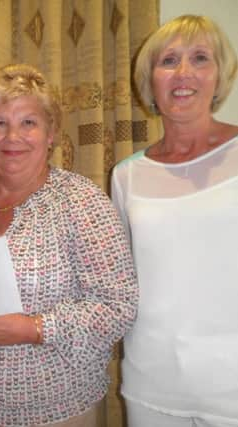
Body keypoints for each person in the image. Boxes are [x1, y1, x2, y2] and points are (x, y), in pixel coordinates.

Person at [0, 63, 138, 427]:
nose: (12, 136)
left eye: (28, 122)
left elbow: (118, 306)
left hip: (59, 410)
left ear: (51, 134)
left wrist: (35, 329)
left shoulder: (81, 202)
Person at [112, 15, 238, 427]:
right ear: (150, 82)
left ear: (219, 75)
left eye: (200, 58)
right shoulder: (126, 175)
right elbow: (122, 278)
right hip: (152, 383)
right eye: (168, 61)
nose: (184, 73)